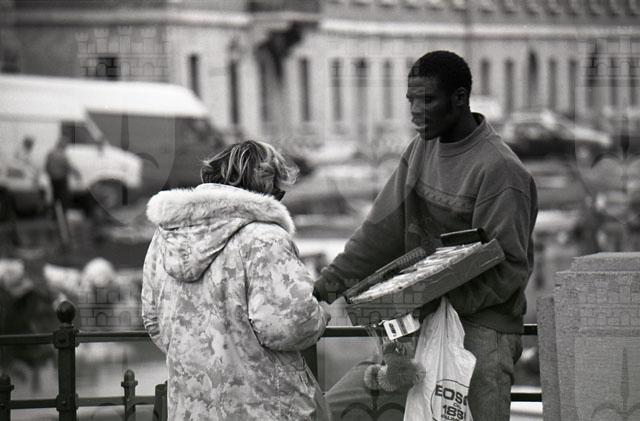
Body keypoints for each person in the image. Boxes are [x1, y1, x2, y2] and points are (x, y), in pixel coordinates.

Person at [314, 51, 538, 420]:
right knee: (331, 412)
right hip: (418, 324)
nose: (416, 112)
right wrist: (321, 290)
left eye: (428, 100)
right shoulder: (421, 147)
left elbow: (509, 270)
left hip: (480, 335)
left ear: (460, 98)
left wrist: (424, 296)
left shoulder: (501, 171)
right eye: (411, 101)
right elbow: (378, 234)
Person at [142, 140, 332, 420]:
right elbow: (288, 325)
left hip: (192, 407)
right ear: (268, 186)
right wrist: (320, 314)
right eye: (279, 191)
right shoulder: (265, 238)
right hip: (264, 407)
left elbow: (153, 320)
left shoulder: (165, 236)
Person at [45, 135, 79, 212]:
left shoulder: (51, 153)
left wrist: (50, 174)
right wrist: (76, 173)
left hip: (53, 178)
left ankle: (54, 213)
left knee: (55, 196)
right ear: (62, 145)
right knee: (64, 197)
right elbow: (68, 166)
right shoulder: (62, 155)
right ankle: (63, 213)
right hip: (61, 179)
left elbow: (46, 167)